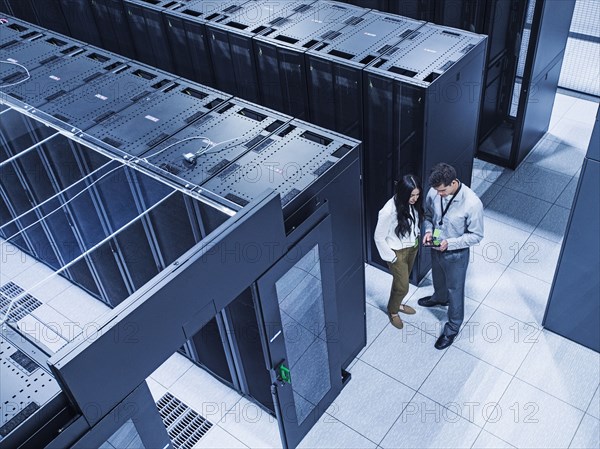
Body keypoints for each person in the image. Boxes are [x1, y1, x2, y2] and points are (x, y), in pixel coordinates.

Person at [418, 163, 484, 349]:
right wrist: (429, 231)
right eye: (436, 191)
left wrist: (450, 244)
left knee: (455, 290)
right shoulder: (434, 193)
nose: (439, 194)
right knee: (438, 278)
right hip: (436, 246)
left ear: (454, 182)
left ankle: (453, 327)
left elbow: (476, 236)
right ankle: (439, 297)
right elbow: (429, 216)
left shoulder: (472, 203)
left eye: (442, 191)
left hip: (456, 253)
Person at [374, 174, 423, 329]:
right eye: (412, 195)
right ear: (403, 193)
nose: (415, 198)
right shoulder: (388, 211)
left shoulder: (412, 203)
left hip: (412, 247)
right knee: (403, 286)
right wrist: (392, 258)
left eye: (417, 194)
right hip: (397, 252)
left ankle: (397, 303)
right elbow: (378, 237)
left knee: (400, 282)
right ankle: (393, 310)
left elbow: (415, 221)